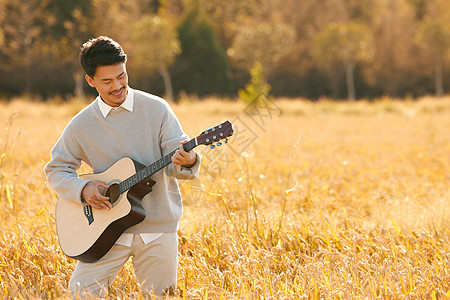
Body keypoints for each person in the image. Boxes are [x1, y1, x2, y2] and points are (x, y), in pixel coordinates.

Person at [44, 36, 200, 298]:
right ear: (90, 81)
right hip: (104, 228)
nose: (118, 86)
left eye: (121, 76)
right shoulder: (81, 124)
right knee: (82, 292)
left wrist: (191, 160)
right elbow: (56, 168)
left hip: (158, 227)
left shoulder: (157, 109)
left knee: (161, 295)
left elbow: (176, 163)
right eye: (107, 81)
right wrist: (83, 189)